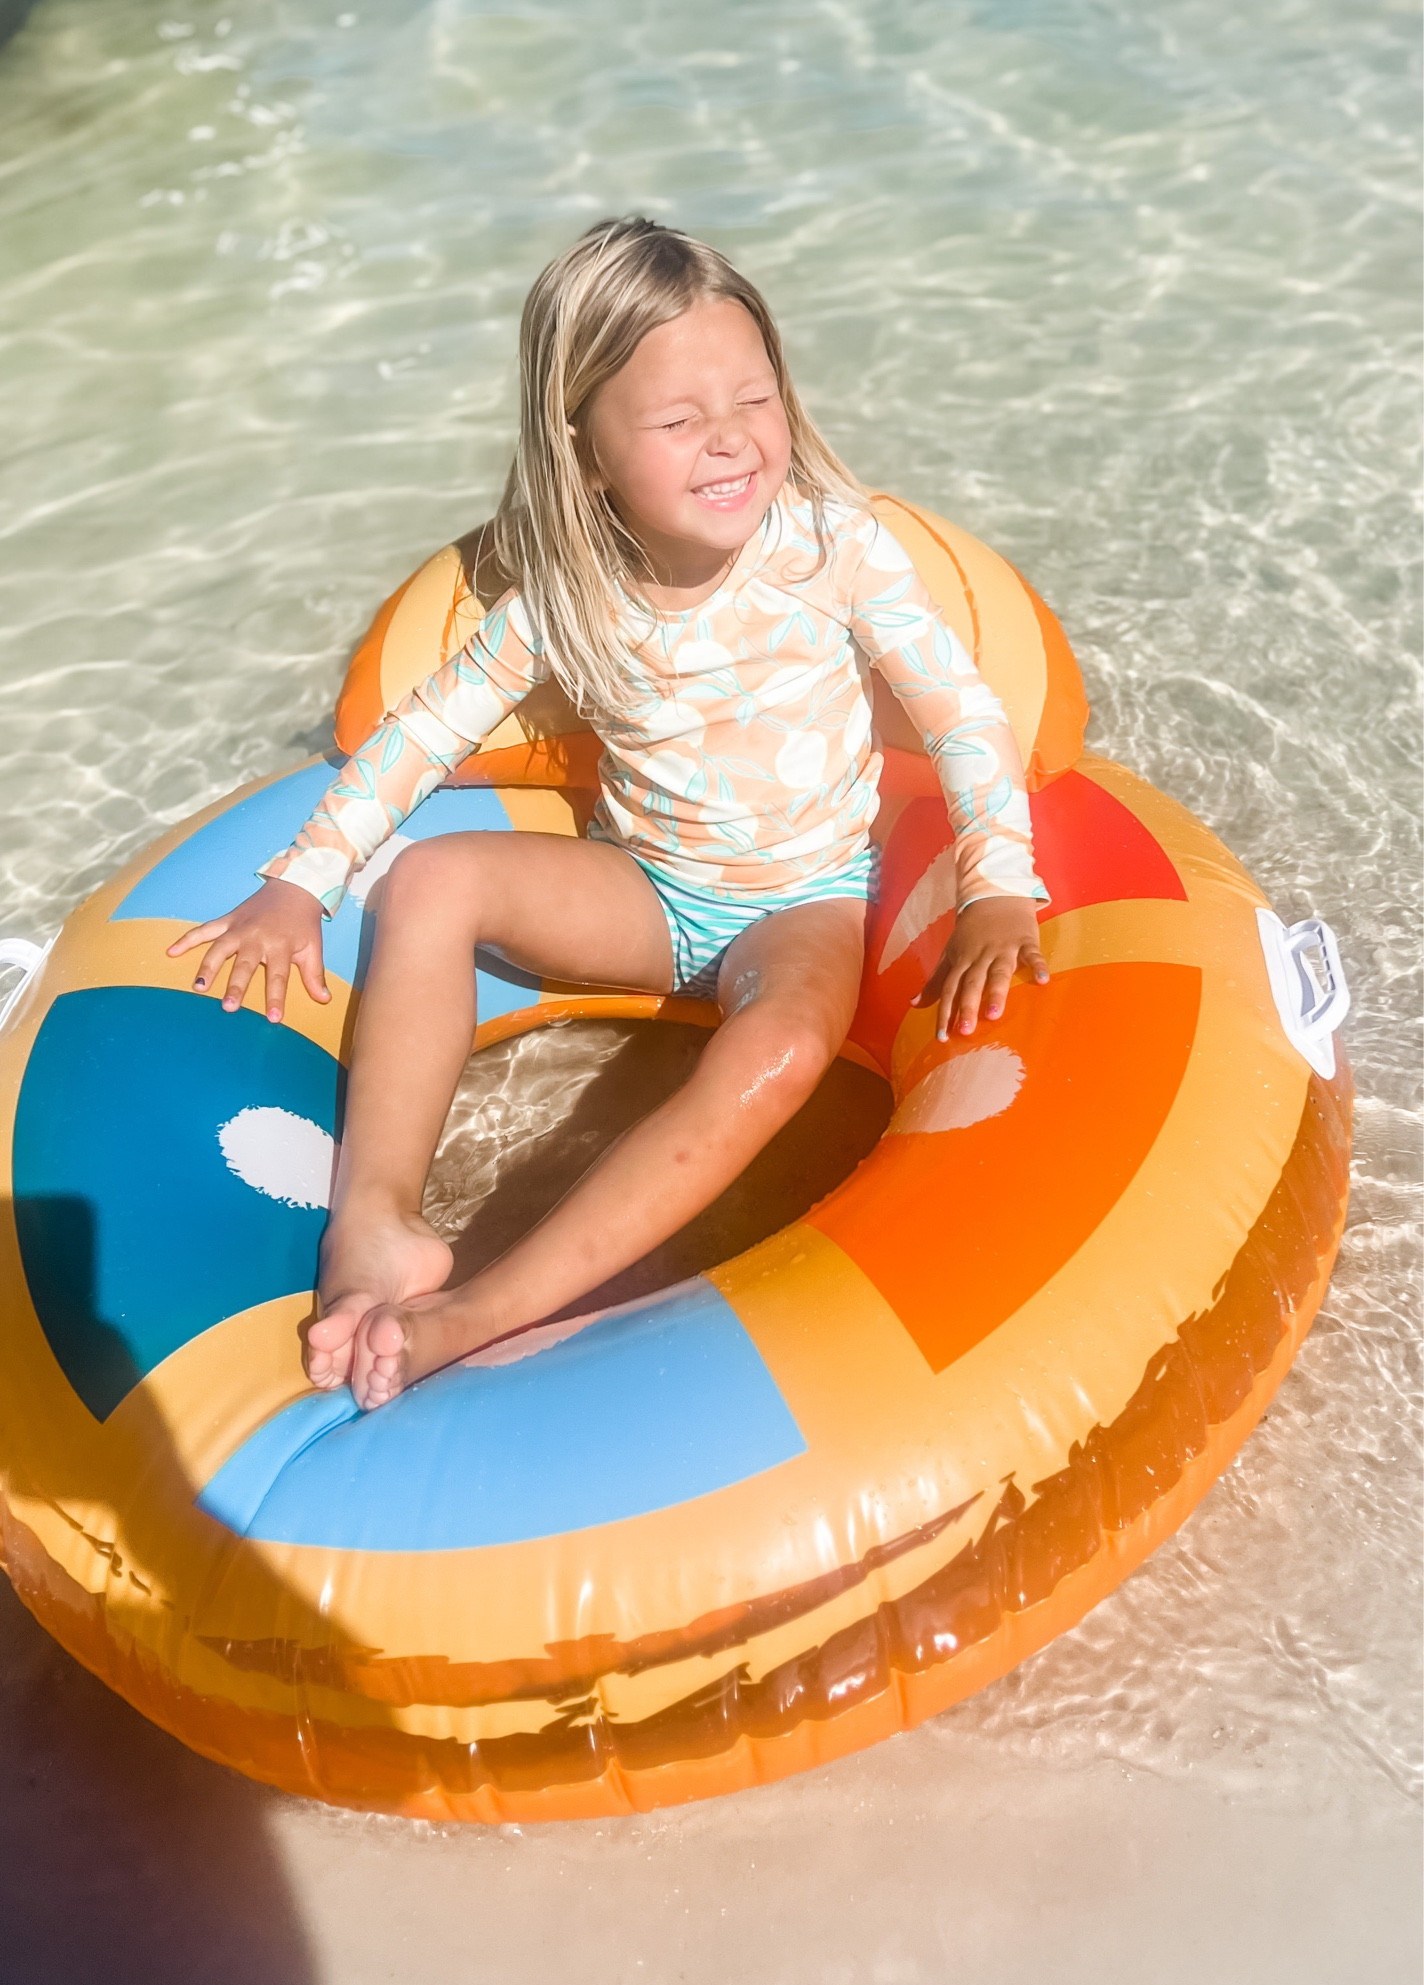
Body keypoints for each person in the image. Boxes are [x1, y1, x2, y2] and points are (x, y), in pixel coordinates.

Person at [169, 216, 1050, 1411]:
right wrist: (297, 882)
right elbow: (423, 735)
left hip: (806, 901)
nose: (733, 442)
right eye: (681, 421)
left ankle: (486, 1304)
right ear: (585, 449)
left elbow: (961, 712)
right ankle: (374, 1226)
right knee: (429, 881)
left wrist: (1001, 880)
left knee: (784, 1044)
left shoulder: (837, 549)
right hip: (648, 888)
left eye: (754, 399)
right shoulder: (564, 598)